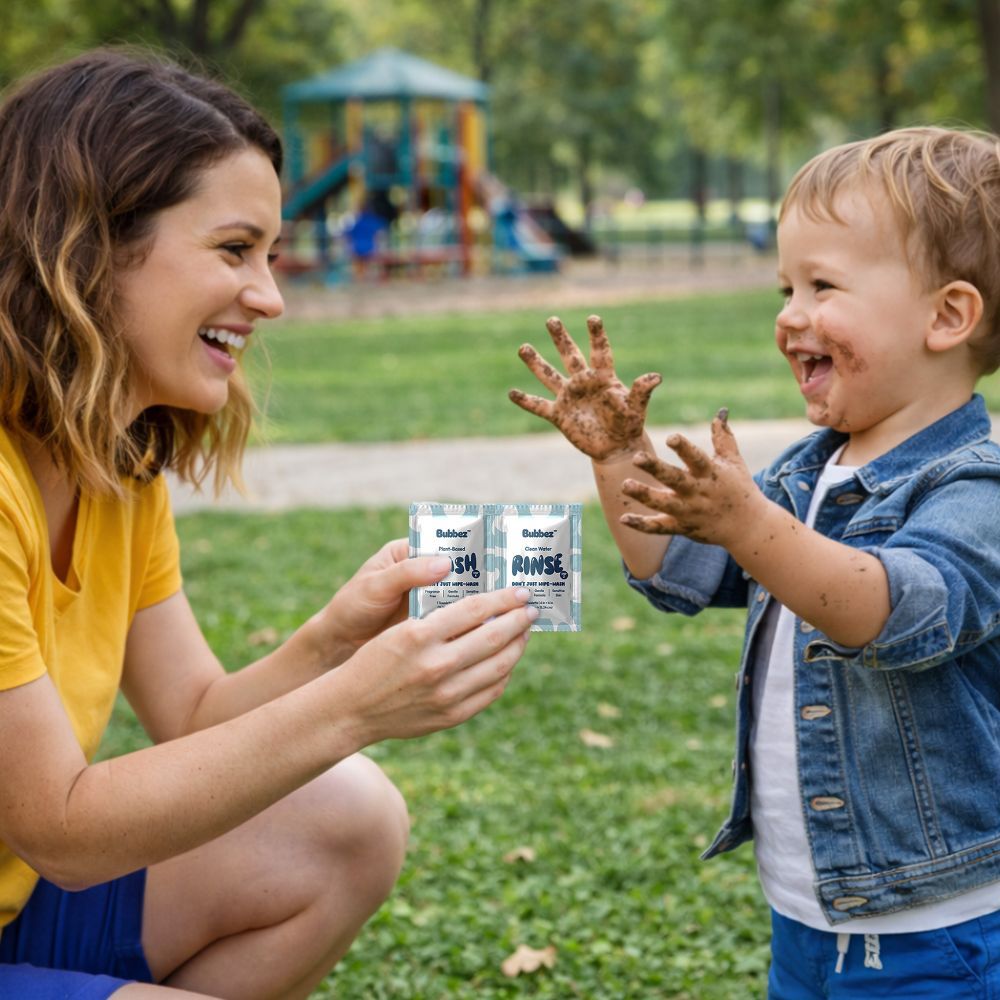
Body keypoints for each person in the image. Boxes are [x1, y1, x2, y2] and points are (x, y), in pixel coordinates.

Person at [0, 48, 537, 1000]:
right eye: (234, 250)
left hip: (23, 909)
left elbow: (194, 718)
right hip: (52, 868)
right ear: (89, 245)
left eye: (271, 256)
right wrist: (354, 706)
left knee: (346, 820)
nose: (270, 297)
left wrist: (332, 645)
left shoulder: (118, 469)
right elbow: (62, 829)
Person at [510, 126, 1000, 997]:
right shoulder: (807, 471)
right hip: (806, 914)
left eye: (824, 285)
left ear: (947, 316)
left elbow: (885, 613)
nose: (788, 314)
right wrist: (617, 459)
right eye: (786, 286)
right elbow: (676, 571)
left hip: (938, 931)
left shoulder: (976, 488)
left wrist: (749, 524)